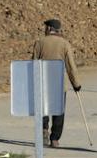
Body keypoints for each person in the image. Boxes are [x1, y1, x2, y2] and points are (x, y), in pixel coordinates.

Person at [32, 18, 81, 149]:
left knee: (43, 109)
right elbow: (71, 66)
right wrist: (76, 84)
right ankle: (55, 138)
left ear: (48, 29)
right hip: (59, 84)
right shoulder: (65, 44)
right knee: (59, 111)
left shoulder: (39, 43)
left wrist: (32, 82)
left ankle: (43, 131)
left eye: (45, 27)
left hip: (43, 82)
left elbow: (34, 64)